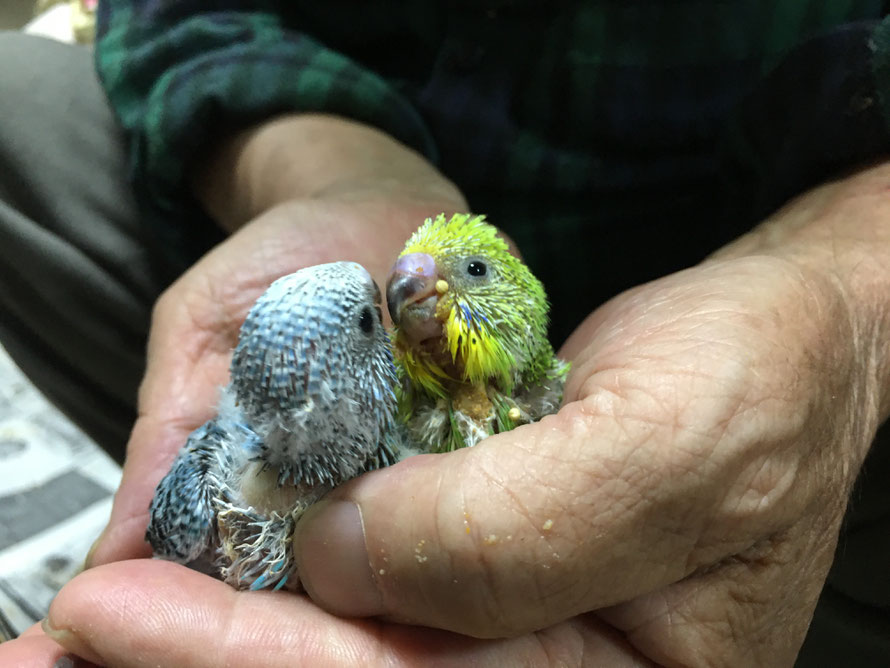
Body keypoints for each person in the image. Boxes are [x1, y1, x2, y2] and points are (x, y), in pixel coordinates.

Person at [1, 2, 889, 665]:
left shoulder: (537, 394)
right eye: (406, 284)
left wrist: (846, 292)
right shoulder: (381, 398)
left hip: (770, 279)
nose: (413, 289)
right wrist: (341, 174)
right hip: (343, 142)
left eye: (464, 277)